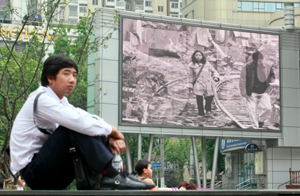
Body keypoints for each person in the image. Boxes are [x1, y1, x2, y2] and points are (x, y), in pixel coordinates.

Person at [9, 55, 155, 190]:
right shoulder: (42, 99)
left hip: (50, 171)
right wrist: (112, 130)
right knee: (74, 127)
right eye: (66, 74)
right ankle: (111, 175)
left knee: (87, 126)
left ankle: (109, 175)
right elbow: (78, 121)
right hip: (35, 174)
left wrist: (108, 136)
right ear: (50, 78)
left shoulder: (61, 101)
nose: (72, 79)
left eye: (74, 75)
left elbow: (84, 117)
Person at [239, 51, 275, 129]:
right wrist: (243, 92)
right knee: (252, 110)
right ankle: (255, 127)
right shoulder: (246, 67)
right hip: (251, 91)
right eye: (256, 61)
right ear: (253, 60)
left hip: (264, 91)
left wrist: (272, 83)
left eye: (260, 60)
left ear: (262, 59)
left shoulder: (268, 66)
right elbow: (242, 80)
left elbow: (272, 75)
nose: (258, 62)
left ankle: (261, 120)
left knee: (268, 108)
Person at [188, 50, 220, 117]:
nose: (198, 57)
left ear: (202, 56)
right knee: (199, 98)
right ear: (194, 56)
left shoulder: (207, 64)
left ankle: (208, 110)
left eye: (200, 55)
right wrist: (190, 84)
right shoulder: (191, 65)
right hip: (198, 83)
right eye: (196, 55)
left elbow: (214, 71)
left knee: (209, 97)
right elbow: (191, 75)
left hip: (208, 82)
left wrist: (216, 77)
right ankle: (201, 112)